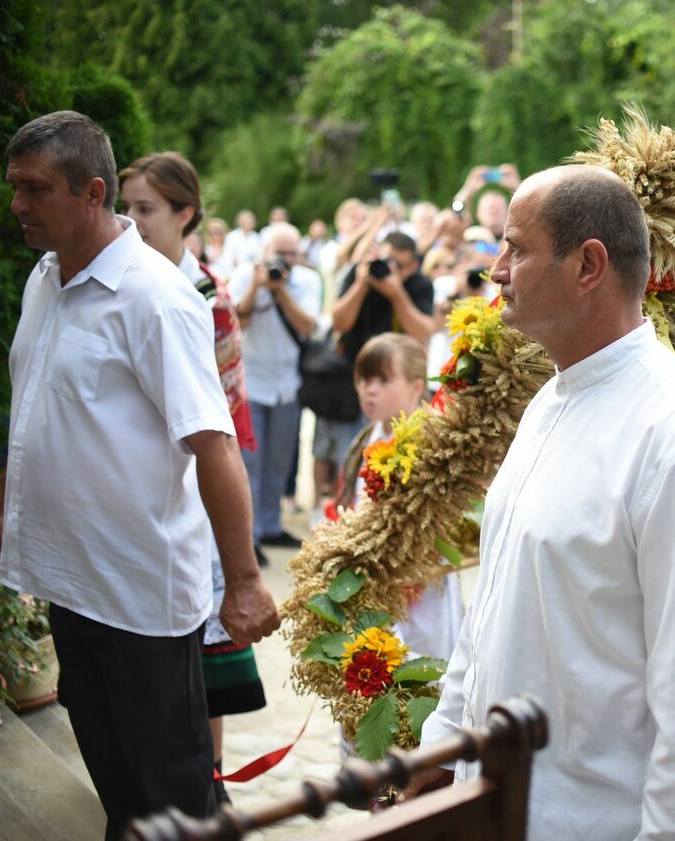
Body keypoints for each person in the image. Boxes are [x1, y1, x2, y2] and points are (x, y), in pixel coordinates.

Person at [407, 165, 675, 840]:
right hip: (495, 806)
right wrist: (446, 741)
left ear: (588, 264)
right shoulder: (550, 401)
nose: (496, 270)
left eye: (516, 248)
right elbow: (494, 606)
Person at [0, 111, 279, 839]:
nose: (16, 204)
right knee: (121, 792)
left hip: (140, 598)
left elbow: (214, 445)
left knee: (176, 801)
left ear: (93, 191)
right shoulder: (44, 276)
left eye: (35, 188)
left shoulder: (155, 296)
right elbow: (33, 409)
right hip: (71, 584)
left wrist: (242, 581)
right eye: (14, 186)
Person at [118, 151, 268, 807]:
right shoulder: (122, 280)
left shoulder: (205, 294)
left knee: (202, 638)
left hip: (195, 486)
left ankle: (209, 773)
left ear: (185, 213)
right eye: (125, 208)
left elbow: (225, 416)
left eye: (146, 209)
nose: (132, 221)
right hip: (138, 491)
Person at [333, 334, 464, 658]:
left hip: (420, 580)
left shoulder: (432, 443)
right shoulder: (368, 437)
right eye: (364, 378)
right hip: (375, 578)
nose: (370, 389)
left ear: (417, 387)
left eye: (383, 379)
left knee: (424, 664)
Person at [229, 223, 321, 557]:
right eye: (280, 253)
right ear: (264, 253)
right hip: (250, 383)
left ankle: (270, 525)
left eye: (292, 253)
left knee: (279, 462)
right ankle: (249, 536)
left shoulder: (307, 280)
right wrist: (256, 287)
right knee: (249, 462)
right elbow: (237, 323)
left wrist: (281, 291)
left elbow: (308, 326)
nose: (286, 260)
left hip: (287, 385)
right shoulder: (244, 275)